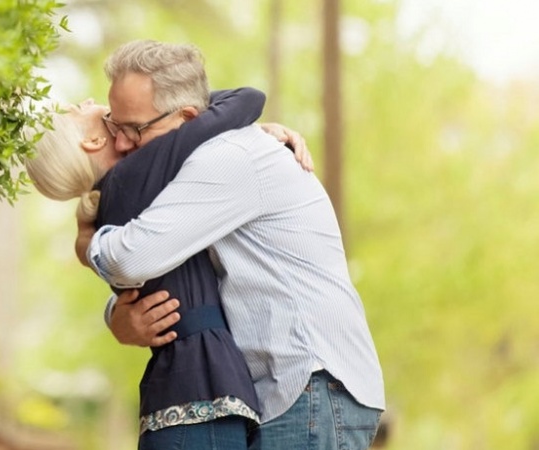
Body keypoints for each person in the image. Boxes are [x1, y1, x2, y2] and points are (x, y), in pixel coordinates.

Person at [83, 39, 385, 450]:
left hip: (310, 385)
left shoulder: (226, 159)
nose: (122, 144)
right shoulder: (215, 151)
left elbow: (131, 258)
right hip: (299, 390)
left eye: (133, 129)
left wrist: (86, 238)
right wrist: (117, 314)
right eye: (114, 127)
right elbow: (181, 275)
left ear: (187, 116)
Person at [26, 84, 311, 448]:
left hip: (189, 394)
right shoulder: (136, 176)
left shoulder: (120, 200)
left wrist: (249, 138)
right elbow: (245, 99)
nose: (85, 101)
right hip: (200, 393)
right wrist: (244, 133)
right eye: (74, 110)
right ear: (93, 142)